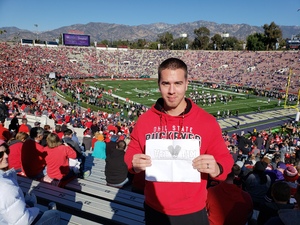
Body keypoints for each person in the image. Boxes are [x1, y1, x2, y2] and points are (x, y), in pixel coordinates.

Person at [124, 58, 234, 225]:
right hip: (155, 208)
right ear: (158, 84)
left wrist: (217, 167)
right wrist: (134, 163)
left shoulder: (207, 121)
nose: (172, 90)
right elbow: (130, 153)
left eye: (178, 83)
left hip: (193, 211)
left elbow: (225, 159)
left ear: (187, 84)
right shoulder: (145, 120)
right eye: (166, 83)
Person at [0, 139, 61, 224]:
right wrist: (34, 210)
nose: (6, 156)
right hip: (19, 221)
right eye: (0, 154)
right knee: (55, 214)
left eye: (7, 151)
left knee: (30, 200)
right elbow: (23, 222)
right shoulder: (5, 186)